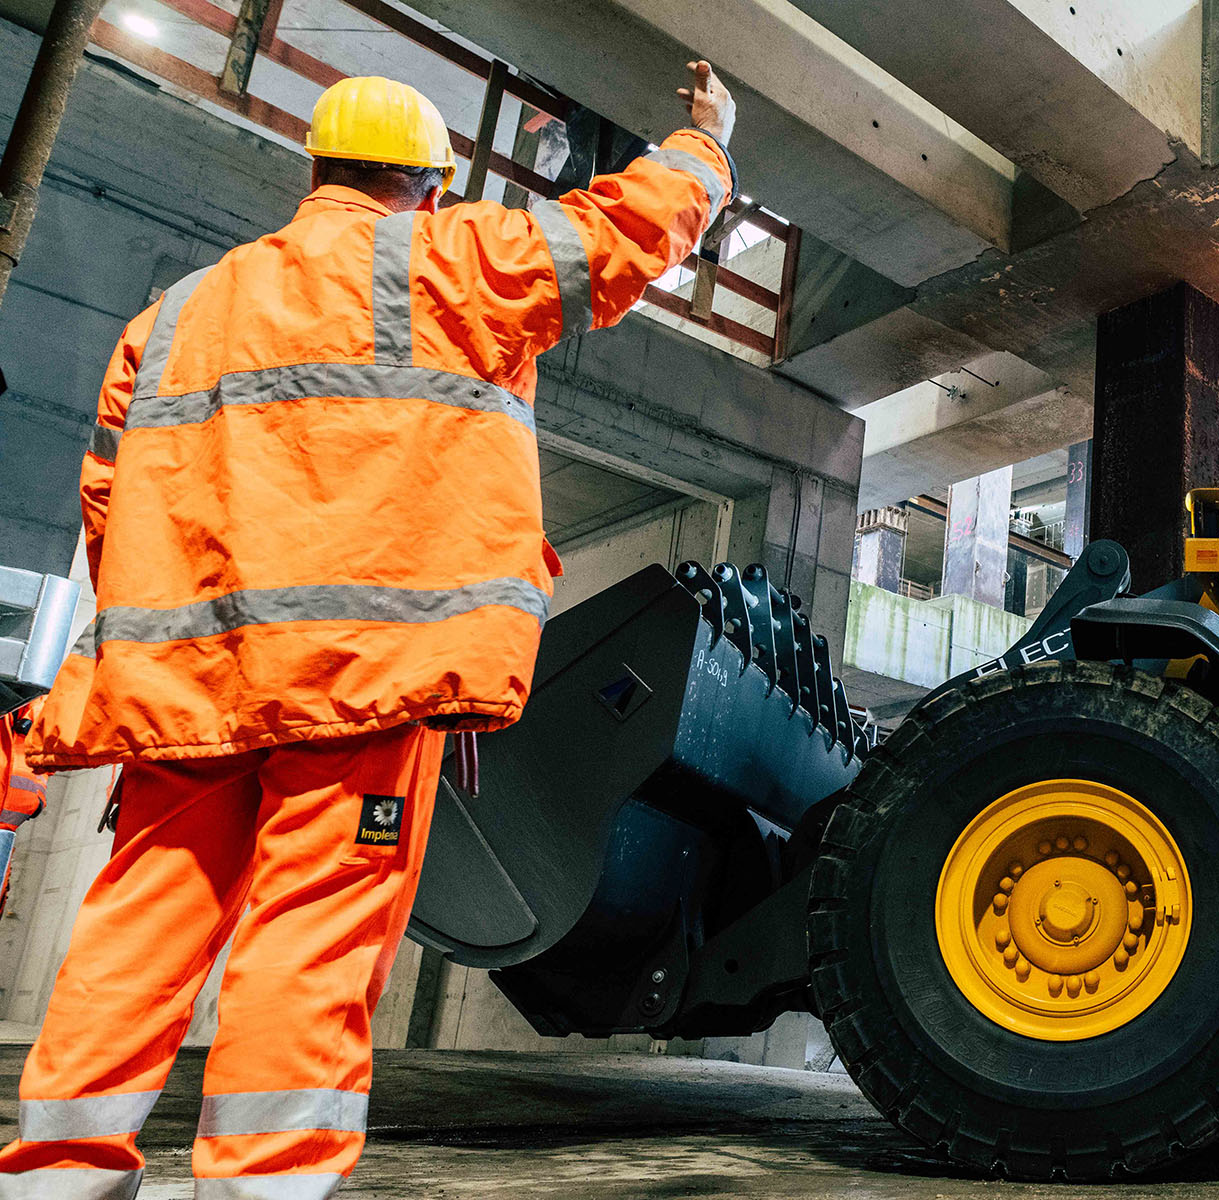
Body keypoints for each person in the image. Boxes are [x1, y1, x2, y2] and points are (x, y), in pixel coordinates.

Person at [0, 61, 738, 1198]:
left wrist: (179, 652)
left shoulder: (172, 319)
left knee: (137, 929)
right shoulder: (449, 263)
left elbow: (110, 502)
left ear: (317, 171)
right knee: (311, 935)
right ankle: (260, 1185)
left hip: (189, 691)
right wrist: (706, 145)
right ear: (430, 184)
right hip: (361, 686)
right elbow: (627, 232)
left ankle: (51, 1177)